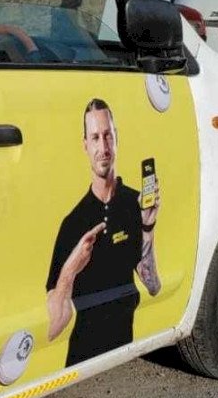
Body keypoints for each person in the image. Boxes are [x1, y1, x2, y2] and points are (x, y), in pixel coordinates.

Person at [45, 98, 161, 366]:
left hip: (121, 357)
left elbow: (153, 286)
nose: (103, 147)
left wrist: (147, 227)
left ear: (117, 138)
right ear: (85, 145)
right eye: (95, 138)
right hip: (81, 363)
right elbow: (53, 327)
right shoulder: (73, 223)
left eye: (108, 136)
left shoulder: (134, 204)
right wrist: (70, 269)